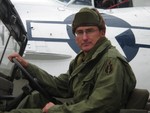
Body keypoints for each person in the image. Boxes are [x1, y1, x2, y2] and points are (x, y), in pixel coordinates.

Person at [5, 7, 136, 113]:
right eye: (79, 32)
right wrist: (27, 66)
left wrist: (56, 110)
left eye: (89, 31)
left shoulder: (110, 61)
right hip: (79, 109)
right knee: (35, 99)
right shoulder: (83, 60)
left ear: (102, 32)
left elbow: (101, 106)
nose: (84, 37)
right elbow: (59, 86)